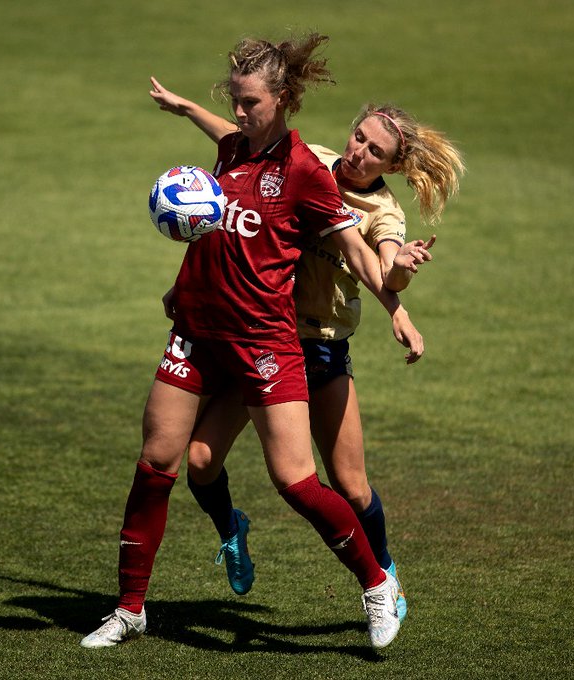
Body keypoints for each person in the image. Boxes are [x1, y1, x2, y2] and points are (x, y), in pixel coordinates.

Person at [80, 32, 424, 652]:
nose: (238, 113)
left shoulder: (306, 171)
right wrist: (183, 283)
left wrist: (396, 310)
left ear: (283, 99)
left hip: (265, 340)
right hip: (197, 330)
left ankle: (377, 584)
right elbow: (221, 231)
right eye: (234, 101)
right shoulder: (232, 149)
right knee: (159, 461)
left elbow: (357, 251)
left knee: (296, 481)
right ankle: (130, 608)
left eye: (250, 103)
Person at [150, 80, 464, 622]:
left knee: (350, 485)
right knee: (199, 461)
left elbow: (381, 265)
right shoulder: (311, 160)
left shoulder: (383, 212)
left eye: (374, 151)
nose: (358, 152)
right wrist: (186, 108)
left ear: (392, 165)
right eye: (359, 137)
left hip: (319, 350)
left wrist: (400, 279)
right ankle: (231, 530)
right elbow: (235, 139)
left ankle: (385, 573)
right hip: (260, 338)